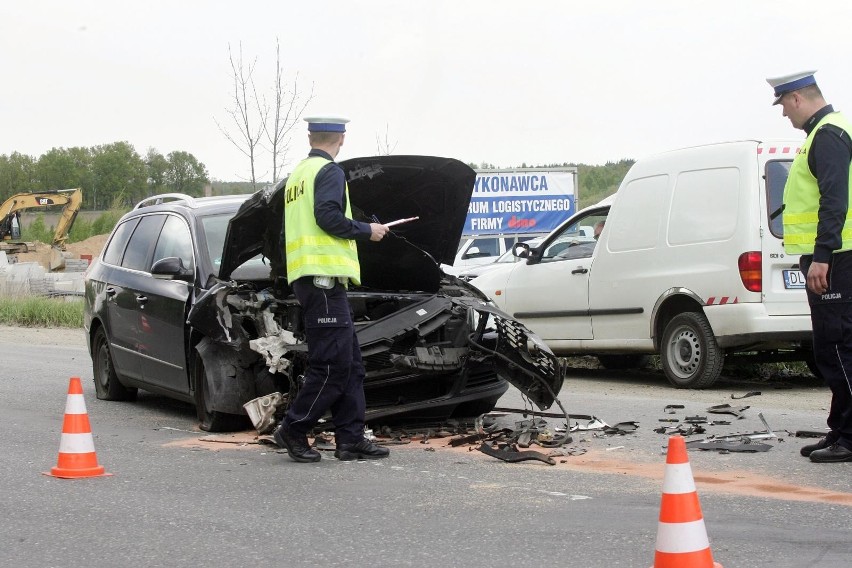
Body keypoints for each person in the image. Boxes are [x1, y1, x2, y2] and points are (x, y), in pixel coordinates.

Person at [273, 115, 391, 463]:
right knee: (333, 367)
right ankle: (293, 429)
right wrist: (365, 230)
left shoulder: (298, 174)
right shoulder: (329, 172)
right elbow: (327, 216)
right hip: (322, 281)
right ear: (341, 140)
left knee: (351, 364)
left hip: (314, 280)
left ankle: (350, 439)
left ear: (311, 137)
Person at [768, 70, 852, 463]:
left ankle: (850, 437)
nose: (784, 113)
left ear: (798, 98)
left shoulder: (829, 135)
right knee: (831, 348)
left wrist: (822, 255)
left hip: (836, 259)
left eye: (784, 105)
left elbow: (835, 201)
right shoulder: (822, 135)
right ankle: (841, 429)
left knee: (837, 349)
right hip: (834, 256)